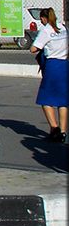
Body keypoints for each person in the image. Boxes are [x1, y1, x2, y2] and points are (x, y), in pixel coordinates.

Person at [30, 7, 67, 143]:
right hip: (64, 64)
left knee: (45, 98)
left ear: (44, 18)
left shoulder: (46, 30)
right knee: (63, 100)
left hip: (52, 65)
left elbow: (33, 48)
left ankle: (54, 127)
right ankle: (63, 132)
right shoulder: (62, 28)